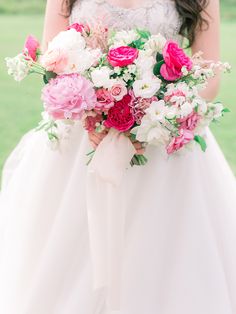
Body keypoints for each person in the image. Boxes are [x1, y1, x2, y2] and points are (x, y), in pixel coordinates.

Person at [0, 0, 236, 313]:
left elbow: (210, 75)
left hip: (162, 142)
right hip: (84, 140)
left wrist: (152, 113)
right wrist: (96, 114)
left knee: (163, 259)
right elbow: (52, 57)